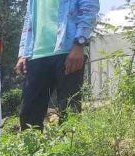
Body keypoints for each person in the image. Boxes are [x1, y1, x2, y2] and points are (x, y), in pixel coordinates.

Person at [16, 0, 100, 129]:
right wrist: (23, 53)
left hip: (68, 51)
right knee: (28, 115)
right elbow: (29, 18)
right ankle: (31, 149)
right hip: (35, 54)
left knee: (69, 111)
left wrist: (79, 43)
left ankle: (69, 149)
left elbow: (89, 9)